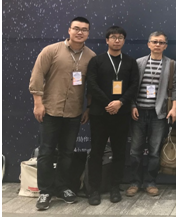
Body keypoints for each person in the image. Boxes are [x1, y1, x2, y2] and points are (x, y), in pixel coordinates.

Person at [29, 17, 96, 211]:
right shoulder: (51, 51)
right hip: (50, 110)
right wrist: (38, 103)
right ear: (69, 30)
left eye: (84, 29)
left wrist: (89, 108)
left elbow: (92, 85)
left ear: (88, 33)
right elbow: (37, 76)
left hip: (74, 113)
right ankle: (45, 191)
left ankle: (62, 187)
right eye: (76, 28)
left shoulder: (91, 56)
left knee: (67, 153)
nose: (80, 32)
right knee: (46, 152)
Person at [86, 26, 139, 205]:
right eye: (113, 37)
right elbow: (91, 84)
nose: (117, 40)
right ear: (107, 40)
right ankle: (94, 189)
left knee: (119, 151)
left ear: (124, 40)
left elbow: (134, 85)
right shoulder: (96, 61)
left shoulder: (130, 62)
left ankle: (115, 186)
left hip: (121, 114)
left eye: (120, 37)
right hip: (100, 113)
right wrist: (109, 103)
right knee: (97, 152)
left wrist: (120, 102)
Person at [126, 31, 176, 197]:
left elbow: (174, 88)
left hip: (159, 114)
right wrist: (132, 105)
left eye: (161, 42)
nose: (157, 45)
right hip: (139, 112)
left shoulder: (171, 64)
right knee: (135, 150)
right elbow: (131, 86)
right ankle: (135, 182)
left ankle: (150, 182)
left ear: (165, 46)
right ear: (148, 44)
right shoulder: (139, 62)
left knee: (154, 151)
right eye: (154, 42)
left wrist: (174, 107)